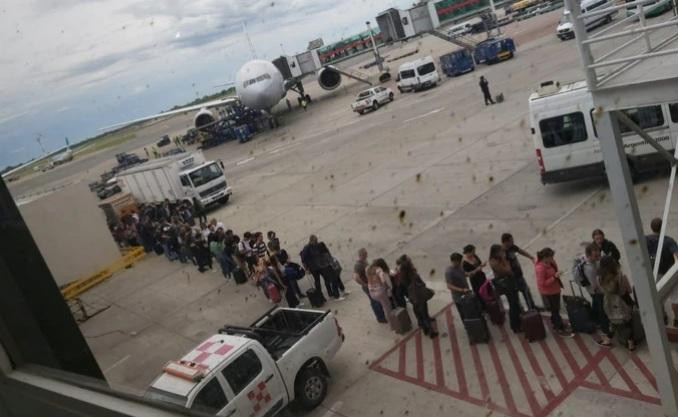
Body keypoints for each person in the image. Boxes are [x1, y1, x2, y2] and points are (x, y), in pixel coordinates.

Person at [599, 256, 637, 351]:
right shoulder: (620, 276)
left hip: (608, 303)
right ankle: (631, 345)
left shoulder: (600, 278)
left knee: (614, 322)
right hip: (622, 302)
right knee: (628, 323)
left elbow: (600, 290)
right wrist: (631, 303)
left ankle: (607, 340)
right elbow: (628, 291)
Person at [645, 217, 678, 326]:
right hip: (668, 273)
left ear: (652, 228)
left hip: (655, 273)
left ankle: (662, 317)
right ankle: (677, 319)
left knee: (658, 297)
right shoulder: (669, 241)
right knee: (675, 298)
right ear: (662, 226)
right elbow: (676, 257)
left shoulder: (646, 239)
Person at [534, 248, 573, 337]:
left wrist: (556, 274)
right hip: (549, 292)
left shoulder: (550, 262)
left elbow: (555, 269)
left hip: (555, 289)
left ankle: (556, 323)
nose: (553, 258)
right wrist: (554, 277)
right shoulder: (540, 268)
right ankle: (558, 327)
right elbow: (542, 283)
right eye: (551, 257)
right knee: (555, 310)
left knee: (556, 309)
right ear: (545, 257)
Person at [398, 255, 438, 338]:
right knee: (424, 312)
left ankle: (423, 326)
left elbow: (402, 286)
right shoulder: (413, 274)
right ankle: (431, 331)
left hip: (411, 296)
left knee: (417, 310)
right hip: (419, 295)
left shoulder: (401, 275)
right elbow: (421, 283)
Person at [581, 243, 613, 347]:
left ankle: (596, 322)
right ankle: (606, 334)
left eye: (599, 254)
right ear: (589, 256)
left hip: (596, 291)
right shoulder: (589, 269)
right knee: (602, 312)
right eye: (596, 256)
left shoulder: (590, 260)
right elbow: (595, 286)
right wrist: (606, 291)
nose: (598, 257)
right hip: (597, 293)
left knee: (597, 309)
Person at [488, 244, 523, 333]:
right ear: (496, 252)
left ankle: (519, 322)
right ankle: (515, 325)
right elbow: (508, 270)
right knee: (513, 305)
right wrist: (504, 260)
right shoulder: (494, 262)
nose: (502, 253)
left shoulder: (497, 259)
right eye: (501, 251)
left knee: (516, 303)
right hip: (507, 285)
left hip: (509, 283)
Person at [300, 235, 342, 300]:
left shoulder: (316, 245)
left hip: (320, 266)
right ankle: (321, 297)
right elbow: (303, 260)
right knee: (317, 282)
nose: (317, 242)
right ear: (311, 241)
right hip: (313, 268)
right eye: (315, 241)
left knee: (326, 279)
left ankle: (330, 293)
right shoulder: (306, 248)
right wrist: (306, 269)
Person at [501, 233, 536, 310]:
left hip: (519, 275)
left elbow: (520, 251)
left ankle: (532, 307)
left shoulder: (511, 247)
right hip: (512, 278)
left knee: (526, 291)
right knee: (516, 296)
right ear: (505, 242)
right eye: (511, 241)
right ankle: (521, 310)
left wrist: (530, 257)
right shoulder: (502, 252)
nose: (513, 242)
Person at [353, 248, 387, 323]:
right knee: (375, 302)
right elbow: (355, 277)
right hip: (368, 286)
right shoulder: (358, 265)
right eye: (365, 254)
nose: (367, 255)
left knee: (376, 301)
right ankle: (380, 318)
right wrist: (364, 284)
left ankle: (381, 315)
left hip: (370, 284)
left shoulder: (364, 261)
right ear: (361, 255)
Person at [367, 262, 394, 328]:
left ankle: (389, 321)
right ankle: (392, 324)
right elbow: (384, 282)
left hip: (372, 293)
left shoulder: (369, 274)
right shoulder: (378, 273)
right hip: (380, 292)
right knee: (387, 308)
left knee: (383, 306)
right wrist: (387, 288)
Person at [446, 253, 472, 319]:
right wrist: (462, 290)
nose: (461, 263)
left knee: (470, 311)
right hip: (459, 297)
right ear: (455, 261)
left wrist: (469, 274)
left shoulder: (459, 266)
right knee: (464, 313)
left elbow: (463, 273)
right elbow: (449, 286)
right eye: (459, 261)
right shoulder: (449, 272)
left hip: (467, 293)